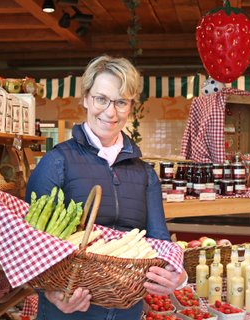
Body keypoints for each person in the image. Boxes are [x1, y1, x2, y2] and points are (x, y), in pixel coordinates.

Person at [26, 55, 187, 319]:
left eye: (121, 102)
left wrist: (177, 276)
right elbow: (28, 246)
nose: (110, 112)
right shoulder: (57, 162)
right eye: (102, 99)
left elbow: (159, 243)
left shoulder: (145, 174)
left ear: (130, 106)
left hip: (126, 312)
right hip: (70, 312)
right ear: (86, 99)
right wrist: (51, 294)